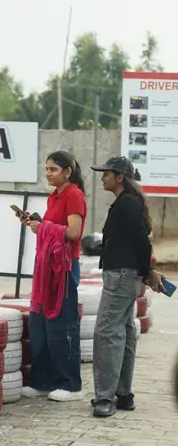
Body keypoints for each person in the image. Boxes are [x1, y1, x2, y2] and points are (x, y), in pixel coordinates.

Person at [90, 155, 165, 417]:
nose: (102, 178)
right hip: (125, 274)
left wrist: (148, 272)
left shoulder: (127, 204)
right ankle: (123, 394)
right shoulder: (128, 202)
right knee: (123, 330)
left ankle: (105, 397)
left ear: (120, 177)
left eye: (106, 173)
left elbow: (141, 242)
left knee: (106, 332)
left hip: (121, 275)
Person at [18, 150, 87, 402]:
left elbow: (73, 233)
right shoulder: (54, 195)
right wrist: (36, 224)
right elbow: (53, 230)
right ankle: (43, 381)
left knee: (61, 323)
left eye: (53, 169)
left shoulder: (74, 195)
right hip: (47, 267)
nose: (48, 174)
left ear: (67, 172)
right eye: (46, 169)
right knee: (40, 324)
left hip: (64, 268)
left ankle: (70, 384)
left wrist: (44, 227)